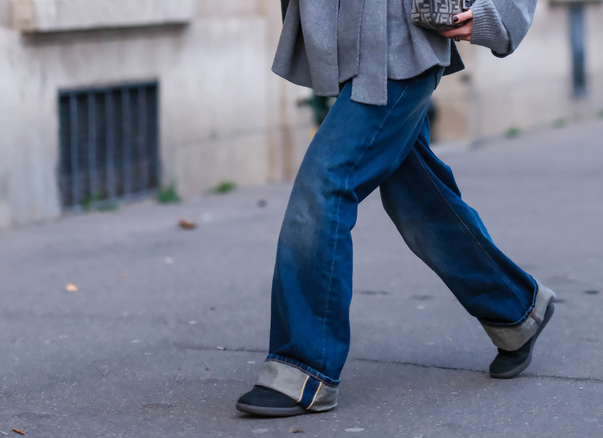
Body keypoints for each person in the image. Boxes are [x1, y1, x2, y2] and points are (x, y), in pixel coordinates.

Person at [236, 0, 555, 417]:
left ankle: (304, 365)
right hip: (353, 40)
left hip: (402, 40)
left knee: (325, 184)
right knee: (417, 198)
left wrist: (501, 12)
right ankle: (516, 311)